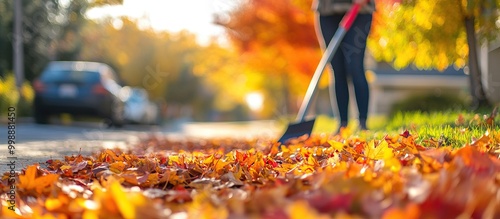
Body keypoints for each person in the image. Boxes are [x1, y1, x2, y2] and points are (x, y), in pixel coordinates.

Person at [312, 0, 375, 132]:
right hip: (327, 10)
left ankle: (362, 123)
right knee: (337, 69)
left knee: (355, 66)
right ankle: (342, 124)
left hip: (359, 10)